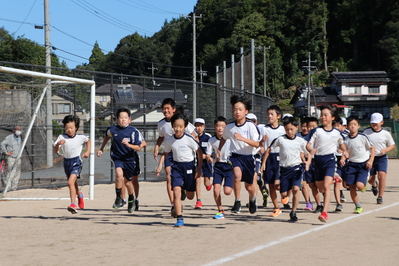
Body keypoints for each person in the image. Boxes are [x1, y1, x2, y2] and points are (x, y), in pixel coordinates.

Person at [262, 116, 311, 221]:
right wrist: (264, 163)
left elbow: (309, 152)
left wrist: (307, 162)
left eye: (292, 129)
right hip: (284, 169)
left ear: (296, 128)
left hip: (297, 168)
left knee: (296, 189)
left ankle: (293, 212)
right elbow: (269, 149)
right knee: (283, 193)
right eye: (287, 129)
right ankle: (285, 196)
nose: (289, 131)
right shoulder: (280, 139)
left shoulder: (300, 141)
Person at [218, 95, 261, 214]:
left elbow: (257, 144)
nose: (237, 112)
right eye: (235, 109)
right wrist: (219, 149)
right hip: (235, 156)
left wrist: (242, 138)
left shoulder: (251, 126)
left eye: (240, 109)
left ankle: (253, 199)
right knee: (237, 175)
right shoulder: (230, 127)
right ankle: (237, 201)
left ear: (246, 111)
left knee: (250, 186)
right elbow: (224, 138)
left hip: (249, 157)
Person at [97, 108, 146, 213]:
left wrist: (128, 145)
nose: (123, 120)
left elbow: (138, 147)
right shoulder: (112, 129)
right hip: (117, 157)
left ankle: (132, 198)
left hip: (130, 159)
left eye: (125, 118)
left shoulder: (133, 132)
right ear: (117, 119)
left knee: (129, 182)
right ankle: (118, 198)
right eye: (121, 118)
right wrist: (101, 148)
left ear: (129, 120)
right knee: (119, 175)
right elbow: (107, 136)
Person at [153, 98, 197, 217]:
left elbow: (195, 136)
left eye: (168, 108)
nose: (165, 111)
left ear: (173, 109)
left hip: (183, 153)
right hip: (170, 152)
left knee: (190, 194)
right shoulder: (161, 124)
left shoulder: (181, 121)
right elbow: (161, 137)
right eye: (163, 108)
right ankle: (173, 204)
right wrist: (157, 147)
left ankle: (182, 188)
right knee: (168, 177)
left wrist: (192, 146)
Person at [160, 113, 203, 227]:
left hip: (189, 167)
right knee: (176, 192)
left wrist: (199, 169)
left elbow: (199, 152)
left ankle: (185, 189)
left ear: (185, 127)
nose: (177, 129)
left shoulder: (189, 139)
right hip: (177, 167)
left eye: (180, 126)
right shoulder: (169, 140)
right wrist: (160, 165)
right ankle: (179, 218)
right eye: (175, 126)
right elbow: (165, 153)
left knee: (190, 196)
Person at [306, 105, 347, 223]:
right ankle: (335, 179)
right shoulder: (316, 131)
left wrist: (345, 150)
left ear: (332, 117)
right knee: (320, 188)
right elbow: (308, 145)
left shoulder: (337, 132)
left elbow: (342, 143)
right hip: (318, 161)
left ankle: (324, 213)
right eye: (321, 115)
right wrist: (310, 150)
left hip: (330, 160)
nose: (322, 117)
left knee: (326, 186)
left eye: (325, 115)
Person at [54, 116, 91, 214]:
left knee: (70, 182)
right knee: (73, 183)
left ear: (76, 127)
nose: (69, 130)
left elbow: (88, 140)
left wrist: (87, 151)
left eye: (71, 128)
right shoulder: (62, 137)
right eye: (67, 128)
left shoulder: (80, 137)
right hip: (67, 162)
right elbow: (55, 150)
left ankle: (73, 204)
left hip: (76, 162)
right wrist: (58, 144)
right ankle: (80, 195)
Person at [340, 115, 375, 214]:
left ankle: (363, 184)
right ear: (347, 126)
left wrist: (370, 160)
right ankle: (358, 205)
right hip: (351, 165)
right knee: (351, 186)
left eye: (354, 124)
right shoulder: (345, 139)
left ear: (358, 126)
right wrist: (343, 159)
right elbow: (345, 153)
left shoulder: (363, 137)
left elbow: (372, 149)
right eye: (350, 125)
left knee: (359, 186)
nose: (352, 126)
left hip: (363, 165)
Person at [259, 105, 287, 217]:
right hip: (268, 157)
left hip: (280, 158)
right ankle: (276, 207)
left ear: (278, 116)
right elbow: (260, 144)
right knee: (271, 185)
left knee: (278, 185)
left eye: (272, 114)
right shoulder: (264, 129)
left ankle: (285, 193)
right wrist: (262, 142)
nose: (269, 116)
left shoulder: (283, 129)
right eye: (268, 114)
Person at [363, 112, 396, 204]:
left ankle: (380, 196)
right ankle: (374, 185)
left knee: (382, 176)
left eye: (376, 123)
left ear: (382, 122)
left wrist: (385, 150)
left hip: (381, 158)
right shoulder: (366, 132)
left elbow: (392, 145)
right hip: (370, 158)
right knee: (370, 179)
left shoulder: (385, 133)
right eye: (372, 122)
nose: (374, 124)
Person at [206, 116, 233, 219]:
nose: (220, 128)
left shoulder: (230, 139)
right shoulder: (211, 140)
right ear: (214, 127)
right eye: (218, 126)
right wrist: (209, 158)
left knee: (227, 191)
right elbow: (208, 154)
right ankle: (220, 210)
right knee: (216, 189)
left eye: (223, 126)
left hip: (229, 166)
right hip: (218, 166)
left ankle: (234, 187)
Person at [193, 118, 213, 209]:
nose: (199, 128)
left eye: (200, 126)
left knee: (207, 184)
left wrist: (208, 156)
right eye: (197, 126)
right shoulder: (192, 137)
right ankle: (198, 201)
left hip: (206, 163)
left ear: (204, 127)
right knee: (197, 180)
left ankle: (209, 185)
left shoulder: (208, 137)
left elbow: (212, 149)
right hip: (197, 162)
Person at [296, 117, 313, 211]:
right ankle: (308, 203)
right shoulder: (297, 136)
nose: (305, 128)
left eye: (307, 127)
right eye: (303, 126)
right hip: (300, 163)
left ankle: (319, 203)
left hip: (313, 162)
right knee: (304, 184)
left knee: (314, 185)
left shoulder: (313, 136)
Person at [1, 125, 23, 191]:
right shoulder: (9, 137)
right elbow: (2, 144)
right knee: (10, 171)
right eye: (17, 129)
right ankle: (8, 187)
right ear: (13, 130)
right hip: (11, 157)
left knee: (17, 172)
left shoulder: (20, 137)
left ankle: (14, 187)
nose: (18, 131)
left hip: (18, 157)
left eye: (19, 129)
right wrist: (6, 152)